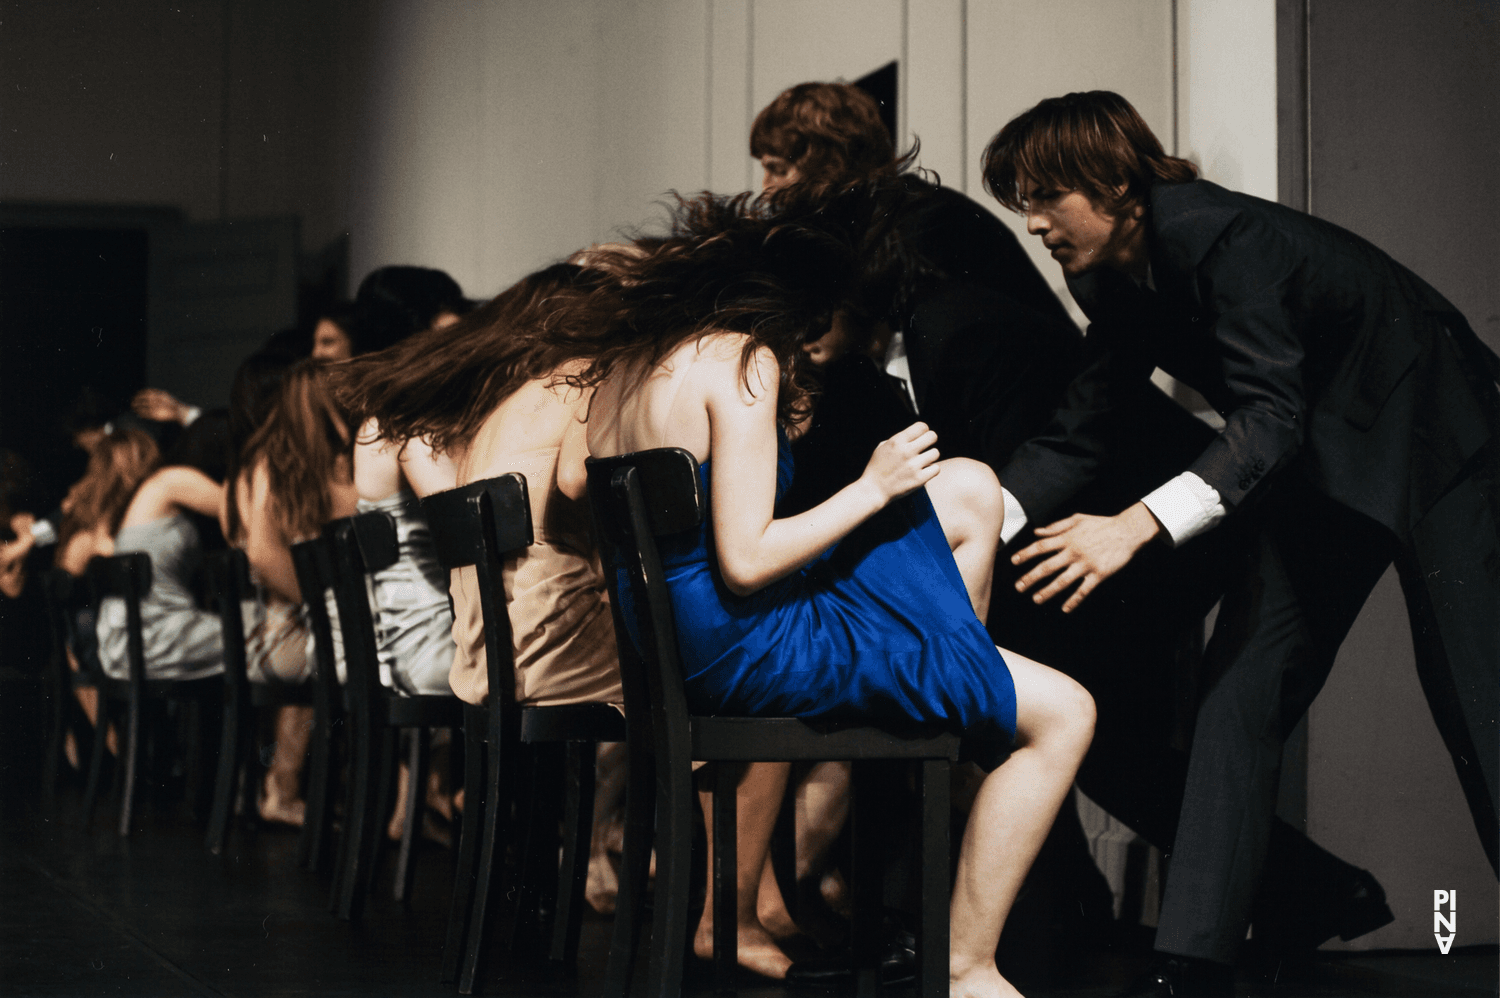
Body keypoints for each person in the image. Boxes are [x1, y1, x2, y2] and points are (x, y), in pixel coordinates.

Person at [982, 90, 1500, 994]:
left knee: (1476, 700)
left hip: (1437, 436)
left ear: (1113, 182)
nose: (1032, 223)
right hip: (1322, 462)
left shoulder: (1225, 239)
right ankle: (1192, 959)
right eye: (1018, 202)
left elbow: (1268, 415)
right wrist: (971, 527)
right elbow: (1081, 427)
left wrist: (1136, 524)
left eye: (1044, 198)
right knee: (1241, 691)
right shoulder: (1105, 272)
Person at [562, 190, 1096, 996]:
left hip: (681, 638)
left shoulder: (629, 367)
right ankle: (968, 966)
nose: (813, 342)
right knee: (1068, 711)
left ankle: (961, 685)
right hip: (747, 643)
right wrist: (875, 487)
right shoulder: (742, 362)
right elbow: (746, 561)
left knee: (968, 487)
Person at [226, 359, 360, 824]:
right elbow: (262, 554)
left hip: (272, 630)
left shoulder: (269, 461)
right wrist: (322, 603)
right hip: (285, 634)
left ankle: (284, 787)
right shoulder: (315, 469)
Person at [96, 438, 227, 683]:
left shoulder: (117, 521)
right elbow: (245, 511)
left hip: (118, 648)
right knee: (280, 636)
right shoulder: (166, 483)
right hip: (157, 639)